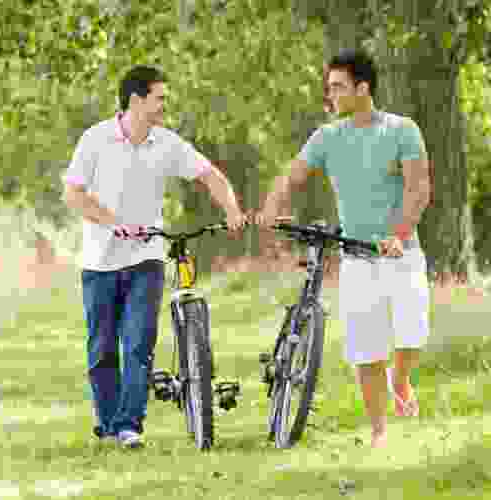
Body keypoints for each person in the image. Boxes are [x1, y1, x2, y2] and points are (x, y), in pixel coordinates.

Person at [62, 65, 248, 449]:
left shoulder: (166, 143)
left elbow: (210, 175)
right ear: (136, 100)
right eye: (160, 98)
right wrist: (112, 222)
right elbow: (73, 194)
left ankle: (130, 424)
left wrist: (231, 208)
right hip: (100, 262)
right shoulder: (95, 140)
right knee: (101, 350)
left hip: (146, 257)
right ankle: (109, 422)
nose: (165, 105)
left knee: (138, 341)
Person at [256, 49, 431, 448]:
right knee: (367, 347)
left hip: (400, 253)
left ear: (362, 88)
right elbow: (292, 176)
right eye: (329, 87)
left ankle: (400, 380)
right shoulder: (327, 136)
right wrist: (271, 208)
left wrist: (399, 234)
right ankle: (379, 432)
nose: (330, 94)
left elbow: (418, 188)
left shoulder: (402, 130)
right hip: (356, 258)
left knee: (411, 335)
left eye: (337, 86)